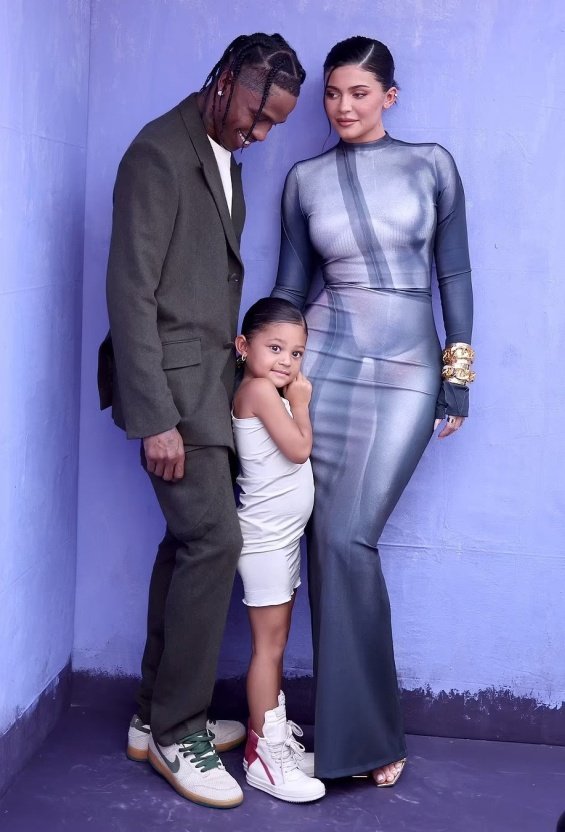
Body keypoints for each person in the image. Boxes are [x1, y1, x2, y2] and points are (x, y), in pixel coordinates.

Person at [97, 34, 306, 809]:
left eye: (272, 127)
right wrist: (154, 419)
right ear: (225, 81)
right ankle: (178, 730)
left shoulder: (224, 156)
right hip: (169, 395)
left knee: (189, 543)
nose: (258, 134)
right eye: (257, 115)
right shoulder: (157, 153)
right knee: (214, 539)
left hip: (208, 386)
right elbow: (132, 294)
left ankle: (152, 716)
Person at [272, 36, 474, 786]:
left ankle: (366, 736)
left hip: (406, 368)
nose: (343, 106)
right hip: (322, 365)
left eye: (359, 92)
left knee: (350, 535)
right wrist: (263, 377)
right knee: (325, 539)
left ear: (389, 95)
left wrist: (458, 375)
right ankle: (353, 737)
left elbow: (452, 272)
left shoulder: (431, 165)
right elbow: (290, 291)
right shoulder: (303, 179)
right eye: (332, 94)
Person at [231, 298, 325, 803]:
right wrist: (303, 403)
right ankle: (264, 758)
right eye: (274, 348)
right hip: (265, 540)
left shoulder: (270, 388)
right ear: (243, 347)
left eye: (296, 352)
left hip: (281, 539)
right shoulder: (260, 391)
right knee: (267, 648)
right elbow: (298, 450)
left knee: (277, 644)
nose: (287, 361)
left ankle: (269, 737)